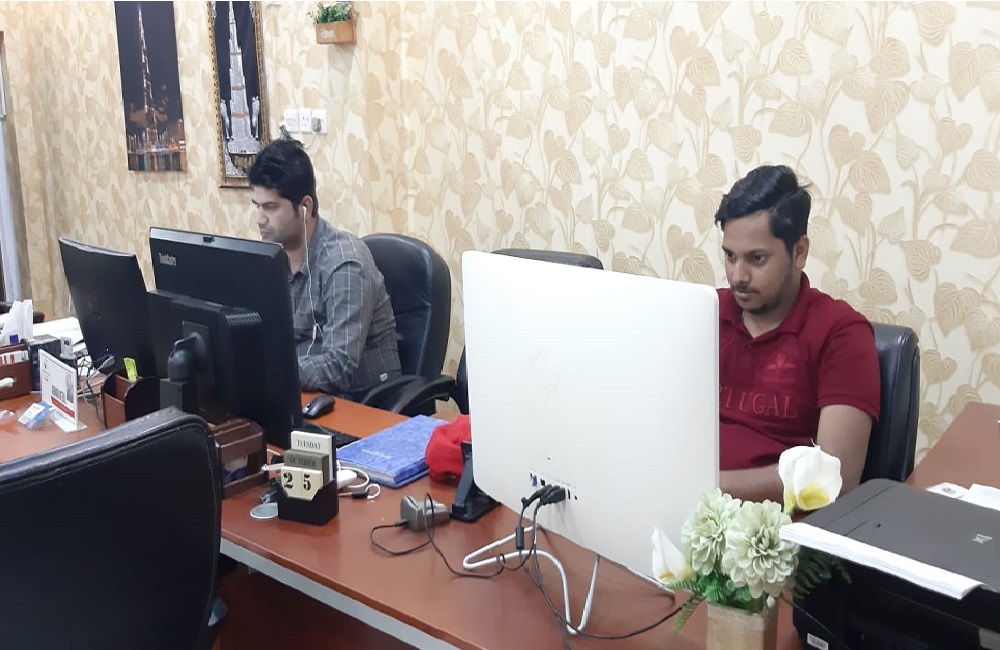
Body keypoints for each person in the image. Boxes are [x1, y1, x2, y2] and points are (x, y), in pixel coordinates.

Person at [714, 165, 880, 503]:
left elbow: (837, 476)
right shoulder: (706, 311)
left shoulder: (841, 333)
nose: (738, 276)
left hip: (774, 525)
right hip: (680, 507)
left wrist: (709, 486)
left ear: (799, 252)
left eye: (756, 258)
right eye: (730, 256)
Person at [248, 138, 401, 399]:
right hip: (306, 395)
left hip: (364, 404)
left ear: (305, 207)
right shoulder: (274, 260)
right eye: (257, 206)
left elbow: (338, 367)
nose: (260, 219)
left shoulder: (345, 263)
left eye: (271, 207)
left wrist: (268, 371)